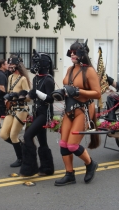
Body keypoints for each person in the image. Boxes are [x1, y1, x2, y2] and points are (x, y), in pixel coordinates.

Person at [52, 39, 101, 186]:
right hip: (68, 110)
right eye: (71, 52)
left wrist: (79, 91)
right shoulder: (70, 69)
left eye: (75, 52)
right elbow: (68, 87)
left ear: (82, 54)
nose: (72, 55)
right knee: (63, 143)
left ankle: (90, 163)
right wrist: (61, 92)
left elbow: (97, 93)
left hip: (83, 110)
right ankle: (69, 174)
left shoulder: (90, 71)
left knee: (72, 146)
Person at [19, 49, 55, 177]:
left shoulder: (48, 80)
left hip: (44, 114)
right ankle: (47, 168)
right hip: (36, 112)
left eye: (36, 63)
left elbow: (51, 99)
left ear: (43, 64)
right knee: (42, 142)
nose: (33, 66)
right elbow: (33, 96)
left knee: (28, 136)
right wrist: (22, 95)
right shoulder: (36, 79)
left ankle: (29, 168)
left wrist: (38, 94)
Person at [0, 54, 31, 167]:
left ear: (17, 66)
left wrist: (17, 95)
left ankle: (21, 158)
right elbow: (8, 92)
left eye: (12, 65)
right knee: (3, 134)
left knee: (13, 135)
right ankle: (22, 147)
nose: (10, 67)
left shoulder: (23, 79)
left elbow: (28, 96)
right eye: (10, 64)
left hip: (21, 109)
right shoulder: (10, 77)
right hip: (11, 108)